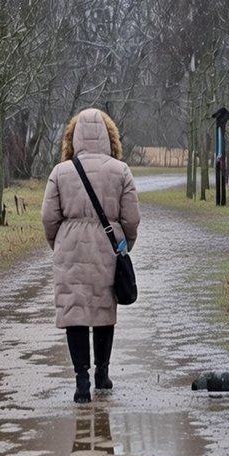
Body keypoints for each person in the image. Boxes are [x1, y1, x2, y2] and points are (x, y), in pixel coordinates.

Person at [41, 108, 141, 403]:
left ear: (72, 138)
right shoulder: (120, 171)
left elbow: (48, 218)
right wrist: (125, 246)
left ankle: (81, 381)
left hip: (69, 250)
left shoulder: (60, 173)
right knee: (103, 312)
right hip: (107, 249)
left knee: (75, 314)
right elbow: (131, 218)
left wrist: (58, 244)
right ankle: (103, 373)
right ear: (110, 137)